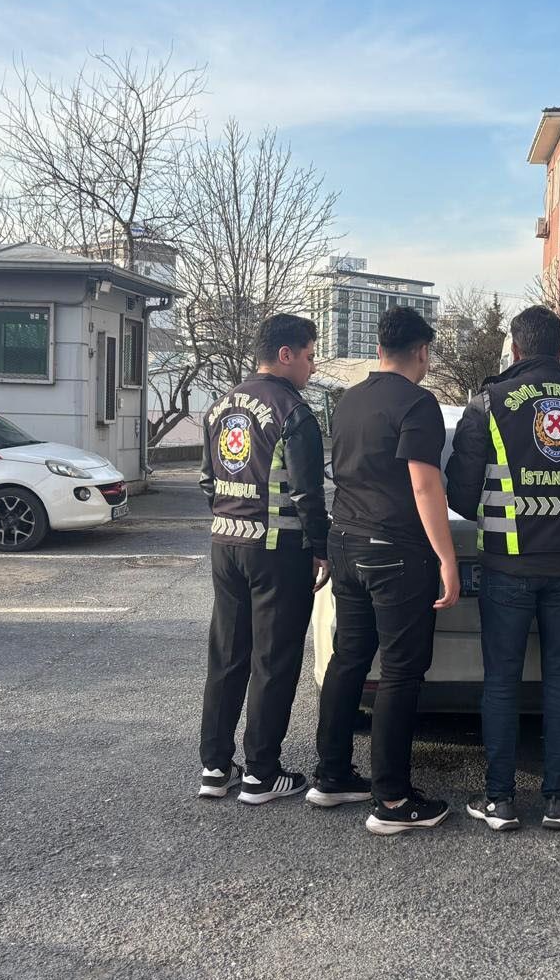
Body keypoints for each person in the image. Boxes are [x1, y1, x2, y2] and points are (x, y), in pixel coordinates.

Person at [446, 305, 560, 833]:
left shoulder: (488, 403)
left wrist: (503, 512)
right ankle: (559, 799)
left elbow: (461, 493)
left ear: (514, 350)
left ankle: (499, 800)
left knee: (501, 680)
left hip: (507, 565)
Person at [310, 306, 461, 835]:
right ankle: (393, 800)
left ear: (379, 349)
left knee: (350, 657)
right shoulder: (418, 403)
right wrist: (447, 558)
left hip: (345, 541)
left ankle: (331, 775)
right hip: (394, 551)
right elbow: (425, 484)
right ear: (422, 352)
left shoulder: (349, 400)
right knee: (401, 670)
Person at [197, 313, 331, 805]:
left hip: (226, 544)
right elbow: (307, 493)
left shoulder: (220, 406)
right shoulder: (294, 412)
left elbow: (208, 481)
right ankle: (261, 773)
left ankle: (215, 767)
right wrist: (321, 548)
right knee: (273, 661)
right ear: (285, 354)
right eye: (310, 356)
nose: (312, 367)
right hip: (278, 552)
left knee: (227, 656)